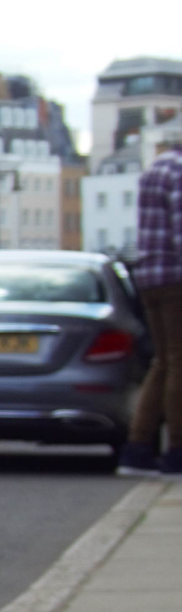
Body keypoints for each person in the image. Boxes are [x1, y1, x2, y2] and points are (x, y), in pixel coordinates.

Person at [119, 129, 182, 477]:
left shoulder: (158, 166)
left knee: (163, 362)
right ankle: (177, 452)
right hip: (177, 277)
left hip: (151, 277)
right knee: (179, 362)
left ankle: (138, 448)